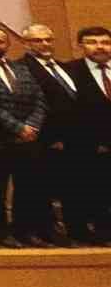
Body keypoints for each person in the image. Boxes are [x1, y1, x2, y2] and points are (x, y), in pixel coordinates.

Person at [0, 26, 46, 247]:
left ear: (8, 44)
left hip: (27, 138)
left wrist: (32, 125)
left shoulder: (19, 66)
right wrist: (17, 127)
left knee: (27, 186)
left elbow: (39, 97)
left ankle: (24, 229)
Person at [20, 23, 87, 244]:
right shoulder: (21, 68)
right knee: (42, 188)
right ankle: (46, 230)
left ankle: (78, 229)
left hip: (75, 137)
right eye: (37, 40)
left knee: (75, 185)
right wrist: (50, 136)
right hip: (44, 138)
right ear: (26, 43)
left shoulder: (65, 67)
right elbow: (29, 104)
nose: (44, 44)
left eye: (48, 39)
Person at [66, 26, 111, 243]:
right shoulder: (68, 71)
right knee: (90, 190)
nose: (100, 47)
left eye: (105, 42)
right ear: (80, 46)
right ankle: (92, 233)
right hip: (86, 144)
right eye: (92, 42)